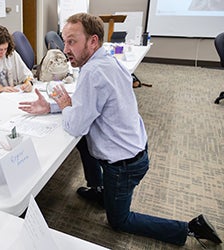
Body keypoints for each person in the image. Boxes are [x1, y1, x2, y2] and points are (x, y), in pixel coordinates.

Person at [18, 13, 222, 247]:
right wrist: (51, 106)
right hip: (134, 148)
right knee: (82, 141)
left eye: (72, 41)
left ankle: (189, 228)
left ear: (93, 41)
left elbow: (76, 123)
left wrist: (63, 105)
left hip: (124, 165)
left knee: (119, 220)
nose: (65, 49)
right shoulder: (106, 60)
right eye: (64, 42)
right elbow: (86, 105)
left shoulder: (93, 72)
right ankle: (100, 189)